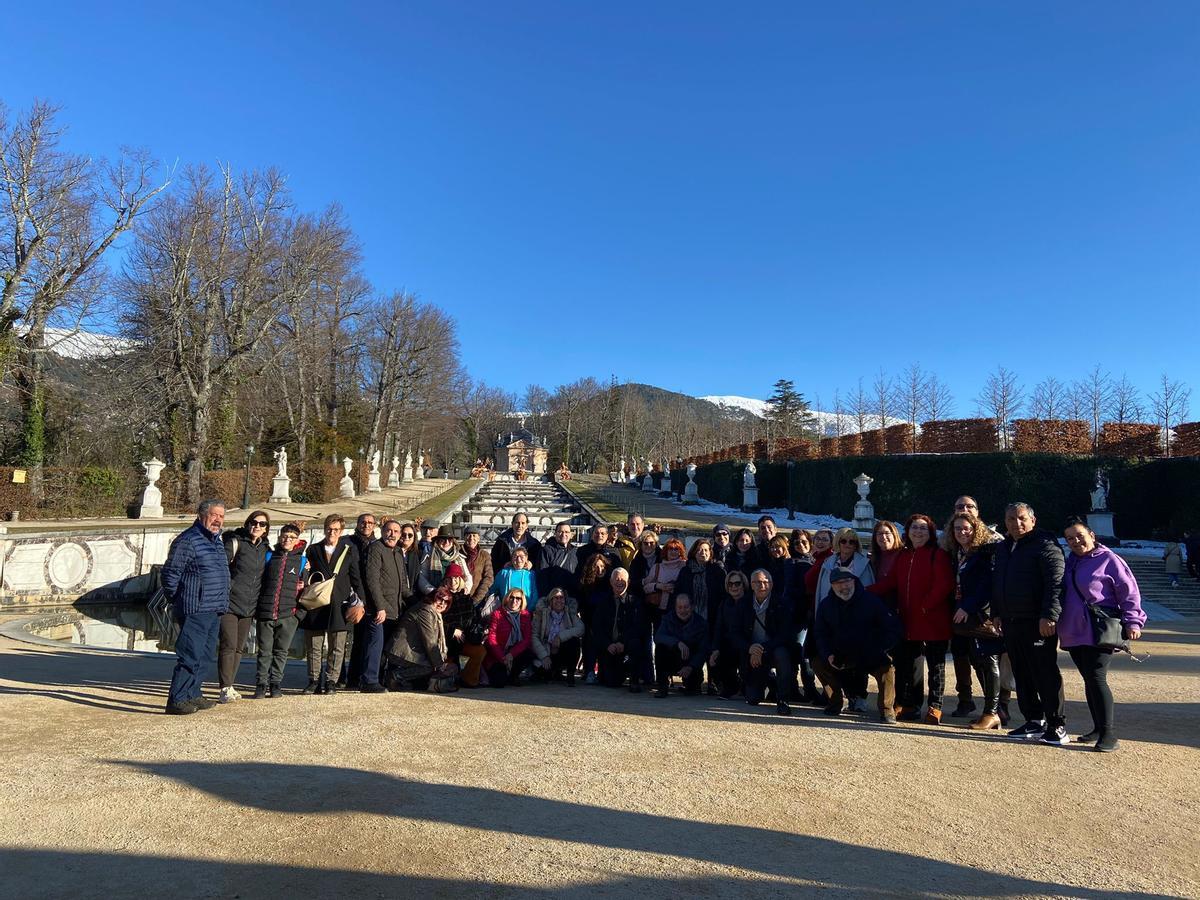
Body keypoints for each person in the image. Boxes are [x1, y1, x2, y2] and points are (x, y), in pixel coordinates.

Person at [1060, 518, 1147, 752]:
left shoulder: (1109, 559)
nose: (1076, 541)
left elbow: (1128, 591)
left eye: (1079, 535)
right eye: (1070, 538)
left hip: (1100, 629)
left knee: (1097, 677)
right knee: (1089, 678)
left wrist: (1133, 621)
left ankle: (1109, 733)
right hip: (1075, 630)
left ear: (1091, 534)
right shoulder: (1070, 562)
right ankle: (1098, 727)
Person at [991, 502, 1068, 745]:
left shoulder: (1045, 545)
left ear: (1033, 520)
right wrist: (997, 612)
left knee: (1044, 672)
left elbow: (1056, 583)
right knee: (1022, 673)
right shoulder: (1004, 548)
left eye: (1022, 518)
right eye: (1011, 518)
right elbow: (998, 582)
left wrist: (1050, 615)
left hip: (1037, 621)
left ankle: (1057, 723)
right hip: (1011, 620)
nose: (1017, 523)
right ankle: (1033, 719)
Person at [868, 514, 954, 723]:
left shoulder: (938, 554)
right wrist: (863, 591)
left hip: (932, 618)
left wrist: (925, 606)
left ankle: (935, 706)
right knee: (907, 665)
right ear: (908, 531)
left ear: (931, 532)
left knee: (936, 666)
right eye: (914, 527)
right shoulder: (904, 556)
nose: (918, 532)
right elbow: (891, 583)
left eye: (923, 528)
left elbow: (944, 585)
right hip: (908, 619)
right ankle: (910, 705)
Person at [161, 499, 231, 714]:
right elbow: (170, 574)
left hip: (214, 607)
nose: (218, 520)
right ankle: (177, 699)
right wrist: (178, 599)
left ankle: (193, 693)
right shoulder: (188, 540)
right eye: (214, 515)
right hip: (195, 608)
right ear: (202, 515)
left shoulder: (216, 541)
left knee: (205, 655)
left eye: (221, 516)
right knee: (190, 655)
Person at [811, 569, 902, 722]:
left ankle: (887, 709)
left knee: (887, 668)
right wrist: (828, 654)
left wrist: (880, 649)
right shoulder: (826, 605)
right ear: (832, 585)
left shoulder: (872, 601)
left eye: (847, 581)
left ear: (854, 581)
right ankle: (836, 702)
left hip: (870, 653)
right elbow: (820, 635)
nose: (843, 586)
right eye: (838, 583)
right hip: (842, 655)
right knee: (818, 662)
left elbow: (893, 629)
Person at [945, 511, 1005, 730]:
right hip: (965, 614)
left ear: (976, 529)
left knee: (989, 662)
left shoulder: (984, 552)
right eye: (958, 528)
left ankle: (992, 712)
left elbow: (986, 585)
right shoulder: (959, 553)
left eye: (966, 528)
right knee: (978, 662)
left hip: (980, 614)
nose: (962, 532)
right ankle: (995, 711)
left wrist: (967, 608)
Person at [302, 514, 365, 695]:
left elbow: (355, 578)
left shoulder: (348, 550)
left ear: (341, 531)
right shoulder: (313, 549)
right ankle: (313, 680)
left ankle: (331, 681)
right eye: (329, 528)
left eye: (336, 529)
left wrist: (361, 601)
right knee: (314, 644)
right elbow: (306, 572)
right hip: (317, 602)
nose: (332, 532)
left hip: (339, 602)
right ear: (324, 529)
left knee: (337, 646)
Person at [217, 510, 271, 703]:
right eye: (254, 522)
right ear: (248, 524)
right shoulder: (235, 542)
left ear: (266, 529)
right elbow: (220, 567)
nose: (257, 526)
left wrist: (304, 566)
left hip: (250, 605)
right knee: (228, 645)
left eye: (262, 524)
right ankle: (224, 687)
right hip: (230, 602)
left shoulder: (266, 549)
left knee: (240, 647)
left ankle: (229, 684)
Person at [253, 523, 307, 699]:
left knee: (281, 651)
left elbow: (306, 589)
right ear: (279, 537)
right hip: (266, 611)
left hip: (288, 613)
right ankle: (261, 683)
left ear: (297, 540)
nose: (287, 540)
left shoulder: (302, 561)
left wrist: (297, 615)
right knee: (264, 651)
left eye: (291, 537)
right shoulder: (269, 556)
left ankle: (275, 682)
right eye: (284, 536)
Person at [734, 569, 794, 716]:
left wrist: (760, 649)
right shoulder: (743, 604)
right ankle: (770, 680)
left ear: (771, 584)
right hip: (752, 652)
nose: (762, 586)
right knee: (753, 699)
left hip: (772, 649)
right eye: (757, 582)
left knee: (782, 654)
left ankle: (783, 699)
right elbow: (734, 633)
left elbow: (784, 635)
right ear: (751, 585)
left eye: (765, 582)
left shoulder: (782, 603)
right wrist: (750, 648)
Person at [362, 520, 410, 693]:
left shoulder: (398, 552)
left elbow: (403, 585)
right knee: (375, 644)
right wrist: (379, 607)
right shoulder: (376, 549)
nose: (392, 534)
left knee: (385, 647)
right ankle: (369, 680)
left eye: (396, 531)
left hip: (395, 608)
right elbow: (372, 580)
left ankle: (379, 679)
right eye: (389, 530)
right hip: (379, 608)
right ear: (382, 531)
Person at [386, 585, 459, 692]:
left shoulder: (433, 613)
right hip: (401, 652)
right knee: (431, 666)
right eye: (440, 599)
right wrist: (439, 666)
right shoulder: (425, 611)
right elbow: (430, 642)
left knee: (446, 667)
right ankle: (397, 676)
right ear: (433, 597)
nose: (442, 603)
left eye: (446, 602)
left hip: (412, 652)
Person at [591, 567, 644, 691]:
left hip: (626, 646)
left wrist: (623, 642)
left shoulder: (635, 602)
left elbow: (638, 627)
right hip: (609, 648)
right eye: (616, 579)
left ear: (628, 582)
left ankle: (634, 680)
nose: (619, 582)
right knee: (611, 682)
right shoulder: (603, 602)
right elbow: (597, 627)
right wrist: (608, 644)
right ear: (610, 582)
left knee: (636, 644)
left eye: (622, 579)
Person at [783, 531, 819, 704]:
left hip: (813, 613)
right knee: (800, 653)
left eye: (804, 541)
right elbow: (789, 589)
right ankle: (802, 689)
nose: (800, 545)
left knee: (807, 654)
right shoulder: (791, 562)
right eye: (796, 543)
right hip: (798, 615)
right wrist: (807, 593)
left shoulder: (814, 560)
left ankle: (807, 689)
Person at [653, 593, 710, 698]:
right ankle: (662, 686)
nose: (683, 611)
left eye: (686, 607)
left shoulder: (701, 624)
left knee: (693, 691)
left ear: (692, 607)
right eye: (679, 607)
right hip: (673, 659)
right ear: (675, 608)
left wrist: (690, 667)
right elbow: (658, 637)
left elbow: (703, 650)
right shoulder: (668, 619)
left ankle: (690, 684)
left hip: (691, 663)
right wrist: (677, 643)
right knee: (660, 648)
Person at [531, 587, 585, 685]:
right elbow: (534, 636)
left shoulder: (569, 613)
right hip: (546, 650)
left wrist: (560, 636)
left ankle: (570, 674)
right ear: (550, 600)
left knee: (574, 641)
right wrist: (544, 656)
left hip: (562, 649)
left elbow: (580, 628)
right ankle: (550, 672)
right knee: (542, 672)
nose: (559, 601)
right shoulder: (541, 614)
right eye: (556, 598)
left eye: (562, 598)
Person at [708, 570, 748, 698]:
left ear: (744, 585)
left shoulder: (750, 602)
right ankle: (731, 687)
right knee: (716, 657)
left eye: (737, 583)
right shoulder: (724, 604)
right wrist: (715, 649)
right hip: (729, 645)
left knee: (753, 695)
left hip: (747, 645)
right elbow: (718, 628)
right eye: (730, 584)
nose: (734, 587)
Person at [484, 588, 534, 688]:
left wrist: (511, 654)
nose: (514, 601)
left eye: (518, 598)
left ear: (522, 601)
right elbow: (492, 639)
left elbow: (526, 639)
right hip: (499, 653)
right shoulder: (497, 614)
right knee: (499, 683)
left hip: (514, 652)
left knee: (528, 654)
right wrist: (503, 658)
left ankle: (513, 676)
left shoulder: (526, 615)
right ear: (507, 598)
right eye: (512, 597)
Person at [576, 552, 613, 684]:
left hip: (606, 620)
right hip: (590, 618)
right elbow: (584, 602)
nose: (600, 569)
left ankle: (602, 671)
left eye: (602, 566)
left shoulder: (610, 581)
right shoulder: (587, 583)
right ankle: (589, 671)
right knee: (589, 644)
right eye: (596, 567)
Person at [420, 525, 472, 595]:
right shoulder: (429, 556)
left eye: (450, 540)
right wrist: (434, 591)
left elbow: (467, 576)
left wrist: (466, 588)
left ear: (453, 541)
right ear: (437, 541)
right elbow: (422, 578)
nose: (446, 542)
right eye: (443, 539)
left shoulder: (459, 557)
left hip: (456, 595)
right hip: (435, 597)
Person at [491, 545, 539, 611]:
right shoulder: (503, 573)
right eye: (515, 556)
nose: (518, 559)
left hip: (526, 613)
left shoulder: (531, 574)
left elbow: (535, 595)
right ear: (511, 559)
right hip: (504, 613)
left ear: (526, 558)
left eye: (522, 557)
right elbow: (493, 590)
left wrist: (528, 610)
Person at [539, 521, 580, 597]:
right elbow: (542, 576)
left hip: (572, 596)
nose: (563, 534)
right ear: (555, 533)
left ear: (571, 534)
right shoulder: (547, 550)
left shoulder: (576, 551)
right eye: (560, 532)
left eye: (566, 532)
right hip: (554, 597)